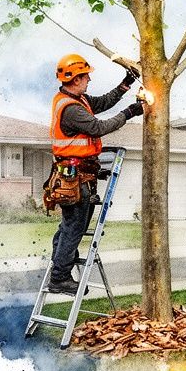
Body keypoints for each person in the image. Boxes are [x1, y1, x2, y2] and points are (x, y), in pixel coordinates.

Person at [47, 53, 144, 295]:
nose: (89, 79)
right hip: (74, 178)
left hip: (77, 176)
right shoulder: (71, 109)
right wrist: (130, 112)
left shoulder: (77, 100)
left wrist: (126, 83)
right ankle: (59, 278)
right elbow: (98, 127)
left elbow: (103, 102)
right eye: (86, 76)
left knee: (69, 226)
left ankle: (59, 266)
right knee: (73, 228)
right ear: (76, 78)